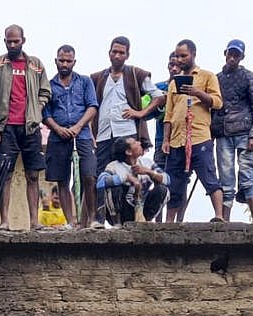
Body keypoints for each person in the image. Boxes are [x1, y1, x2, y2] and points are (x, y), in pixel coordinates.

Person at [0, 25, 52, 231]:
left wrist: (37, 109)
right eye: (9, 41)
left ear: (24, 40)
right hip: (6, 127)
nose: (13, 44)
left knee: (33, 175)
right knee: (5, 174)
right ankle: (5, 221)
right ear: (5, 41)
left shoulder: (36, 64)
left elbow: (45, 91)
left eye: (16, 41)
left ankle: (34, 222)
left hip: (30, 127)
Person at [162, 40, 225, 223]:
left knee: (209, 177)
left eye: (184, 55)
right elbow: (169, 114)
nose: (180, 59)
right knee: (174, 183)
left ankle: (219, 216)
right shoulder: (174, 83)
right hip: (176, 140)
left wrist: (197, 92)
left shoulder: (207, 76)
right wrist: (166, 140)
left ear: (193, 54)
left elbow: (218, 102)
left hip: (199, 137)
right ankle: (169, 222)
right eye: (177, 56)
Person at [42, 45, 98, 227]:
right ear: (56, 61)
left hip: (81, 135)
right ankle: (70, 222)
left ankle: (90, 220)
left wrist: (78, 126)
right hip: (58, 137)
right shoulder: (48, 85)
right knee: (62, 180)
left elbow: (92, 106)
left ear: (74, 62)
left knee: (89, 176)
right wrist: (57, 128)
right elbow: (44, 112)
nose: (65, 64)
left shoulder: (85, 81)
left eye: (68, 61)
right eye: (61, 60)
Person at [91, 38, 162, 176]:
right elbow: (90, 106)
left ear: (127, 55)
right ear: (109, 53)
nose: (117, 55)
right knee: (102, 174)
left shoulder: (136, 74)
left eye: (121, 52)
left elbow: (159, 96)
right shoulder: (98, 77)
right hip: (103, 134)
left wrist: (141, 113)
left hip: (127, 133)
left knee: (129, 173)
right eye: (114, 52)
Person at [214, 40, 253, 223]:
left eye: (237, 55)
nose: (233, 58)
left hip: (244, 132)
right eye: (230, 54)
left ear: (242, 57)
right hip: (224, 133)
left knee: (247, 174)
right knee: (225, 177)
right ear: (225, 53)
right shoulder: (216, 78)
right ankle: (224, 220)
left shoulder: (249, 77)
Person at [95, 135, 169, 226]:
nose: (139, 143)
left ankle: (145, 220)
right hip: (123, 211)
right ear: (128, 152)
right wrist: (126, 178)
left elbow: (167, 179)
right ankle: (117, 224)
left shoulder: (146, 162)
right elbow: (101, 181)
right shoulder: (114, 166)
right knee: (112, 188)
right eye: (134, 143)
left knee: (162, 189)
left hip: (142, 207)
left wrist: (148, 172)